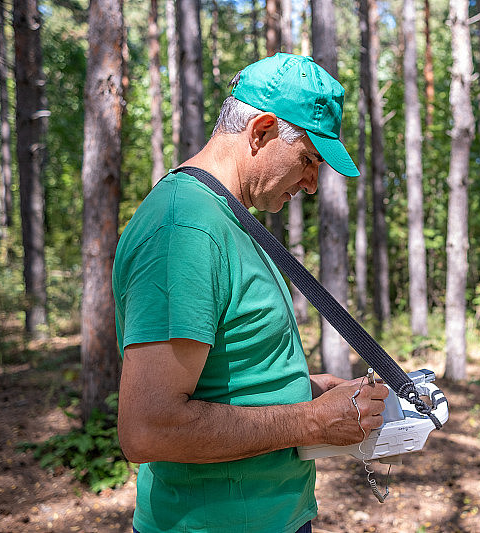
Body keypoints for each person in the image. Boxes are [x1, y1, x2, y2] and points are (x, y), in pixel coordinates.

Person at [112, 53, 388, 533]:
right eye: (308, 160)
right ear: (259, 131)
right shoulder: (185, 228)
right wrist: (312, 422)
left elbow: (230, 376)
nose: (312, 184)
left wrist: (310, 391)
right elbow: (148, 427)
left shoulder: (229, 219)